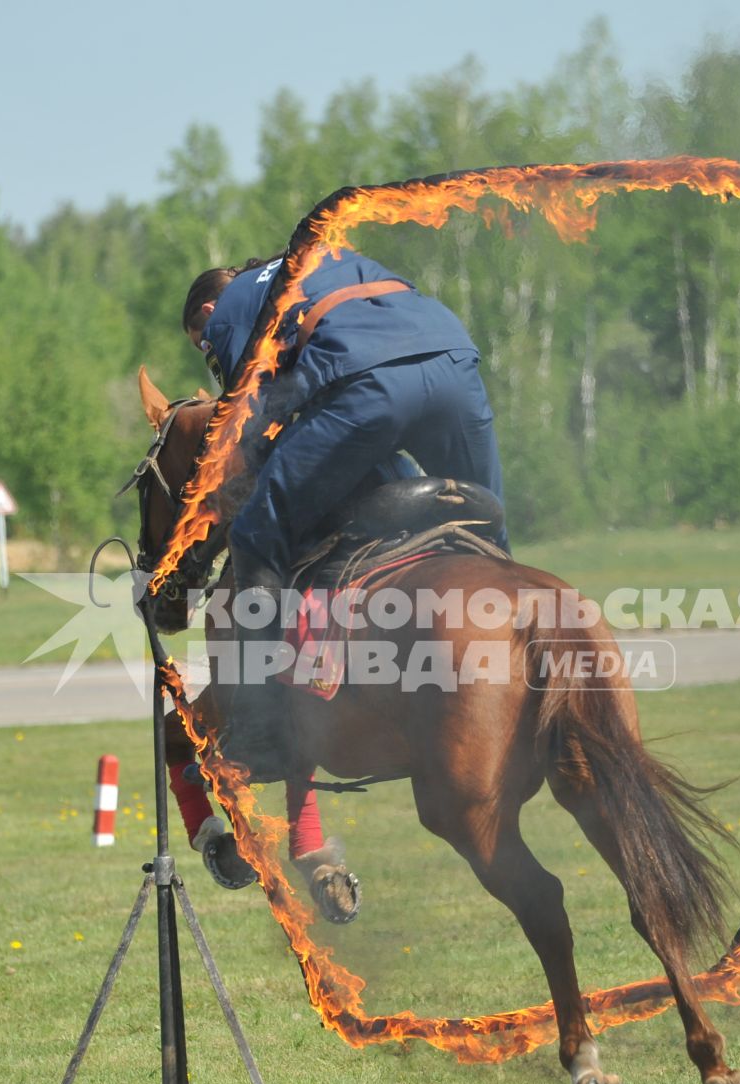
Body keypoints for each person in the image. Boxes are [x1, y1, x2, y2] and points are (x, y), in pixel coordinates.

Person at [180, 248, 506, 780]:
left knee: (259, 532)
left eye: (205, 347)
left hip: (367, 383)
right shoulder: (325, 258)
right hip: (453, 360)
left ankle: (260, 735)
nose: (211, 354)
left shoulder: (233, 304)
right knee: (485, 522)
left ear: (211, 310)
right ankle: (537, 672)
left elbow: (252, 414)